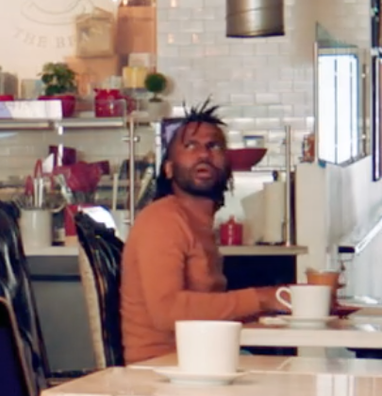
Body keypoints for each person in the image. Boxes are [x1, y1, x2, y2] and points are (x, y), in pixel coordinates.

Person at [119, 104, 284, 363]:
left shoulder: (199, 225)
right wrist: (263, 299)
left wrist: (288, 305)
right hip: (162, 368)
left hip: (200, 359)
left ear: (228, 168)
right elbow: (167, 311)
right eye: (190, 146)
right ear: (169, 168)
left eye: (213, 146)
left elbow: (209, 312)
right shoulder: (163, 220)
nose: (204, 154)